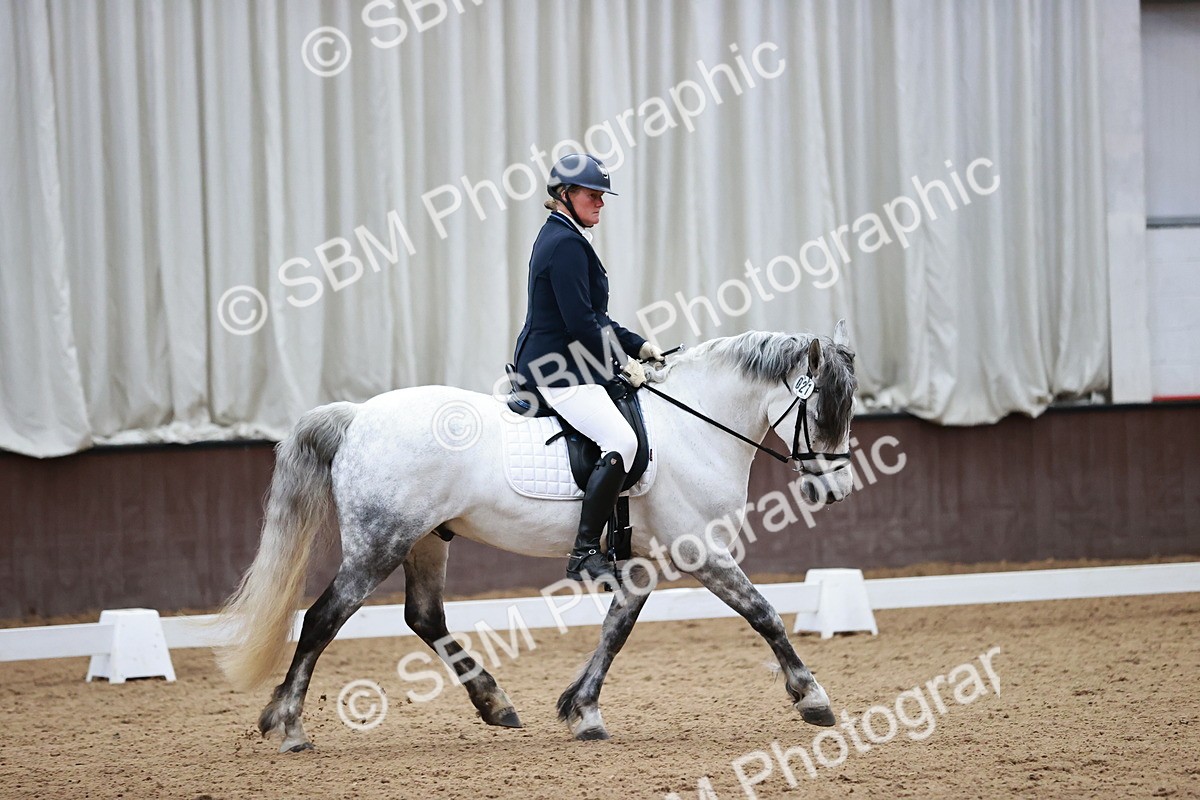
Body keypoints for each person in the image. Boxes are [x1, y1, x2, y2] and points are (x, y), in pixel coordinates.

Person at [511, 153, 665, 587]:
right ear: (566, 195)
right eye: (593, 195)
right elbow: (580, 325)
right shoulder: (563, 244)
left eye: (602, 196)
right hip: (555, 369)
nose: (601, 203)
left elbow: (597, 317)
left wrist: (640, 346)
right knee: (621, 438)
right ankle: (583, 553)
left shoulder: (570, 237)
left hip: (569, 361)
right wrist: (621, 364)